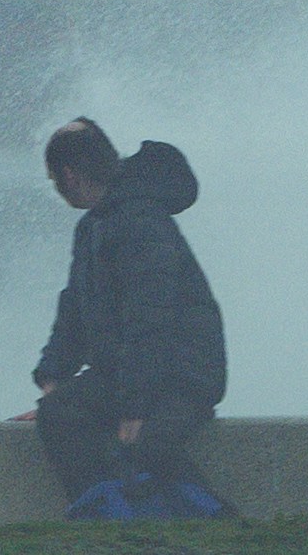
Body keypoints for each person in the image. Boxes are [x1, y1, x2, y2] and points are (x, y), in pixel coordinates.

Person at [28, 118, 232, 518]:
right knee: (61, 413)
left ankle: (214, 520)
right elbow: (73, 309)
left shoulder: (140, 223)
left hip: (182, 376)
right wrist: (53, 377)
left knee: (146, 448)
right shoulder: (94, 227)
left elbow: (150, 319)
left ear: (68, 175)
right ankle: (108, 515)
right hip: (136, 373)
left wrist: (134, 408)